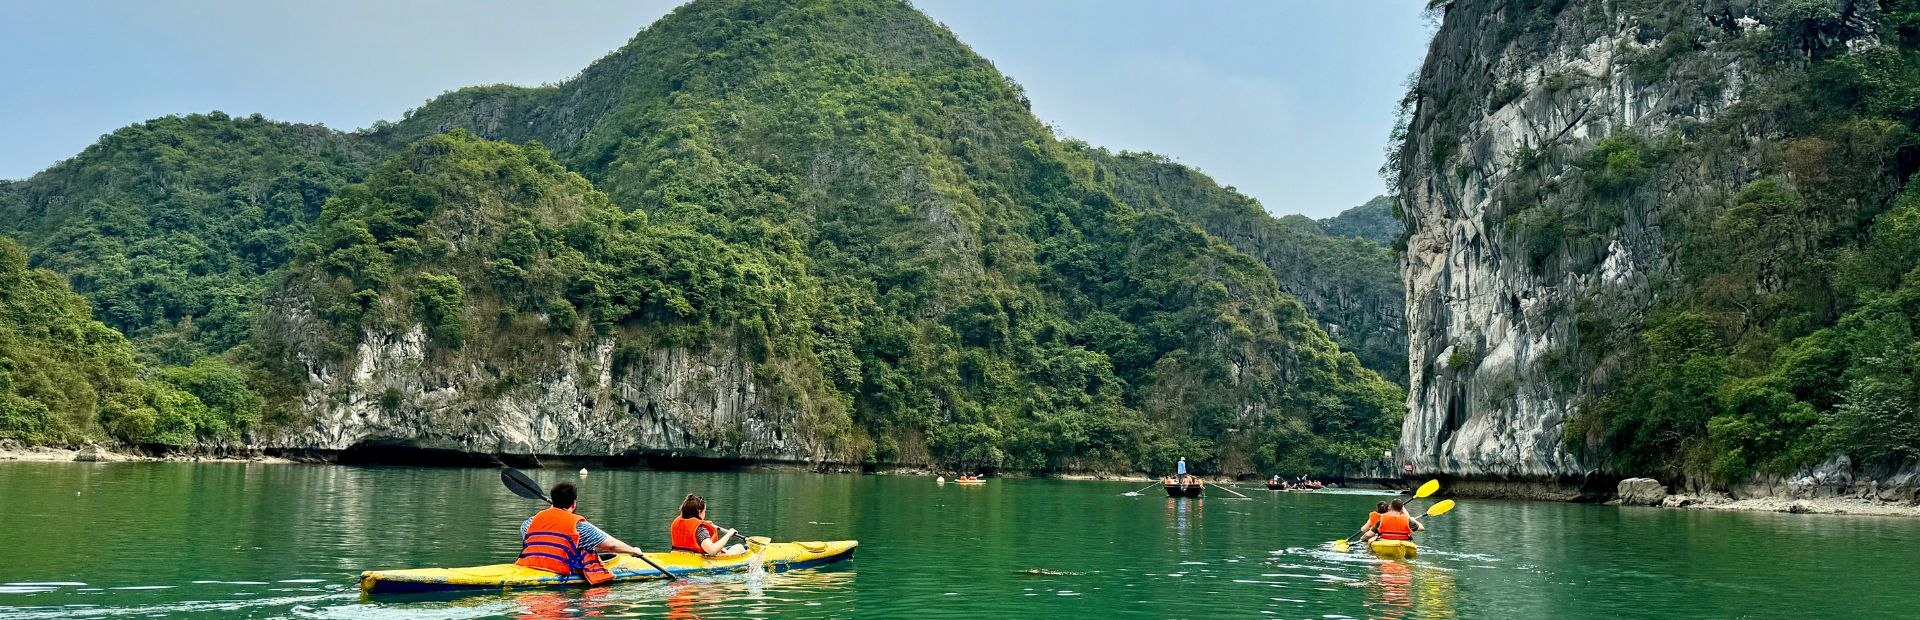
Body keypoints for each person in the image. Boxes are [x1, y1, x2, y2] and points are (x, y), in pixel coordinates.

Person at [517, 482, 648, 584]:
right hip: (560, 572)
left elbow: (530, 533)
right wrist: (634, 551)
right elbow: (612, 545)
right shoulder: (579, 527)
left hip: (529, 566)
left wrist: (553, 511)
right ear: (573, 504)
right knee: (585, 551)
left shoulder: (529, 523)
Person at [671, 494, 746, 556]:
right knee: (739, 547)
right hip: (696, 561)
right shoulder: (700, 530)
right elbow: (712, 551)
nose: (705, 514)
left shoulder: (677, 522)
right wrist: (729, 534)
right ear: (699, 511)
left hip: (678, 556)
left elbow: (689, 527)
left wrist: (704, 523)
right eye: (704, 511)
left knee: (724, 549)